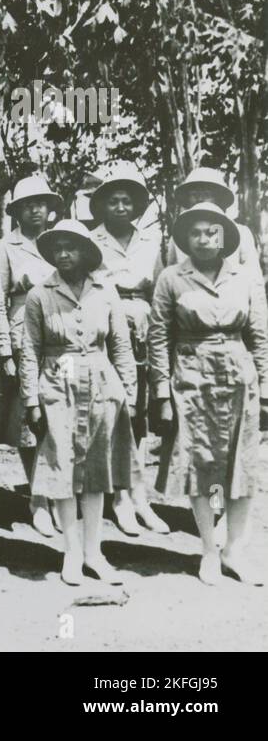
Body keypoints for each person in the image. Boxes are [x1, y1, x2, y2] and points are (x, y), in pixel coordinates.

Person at [150, 202, 268, 586]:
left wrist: (265, 390)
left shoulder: (246, 278)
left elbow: (261, 337)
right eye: (197, 232)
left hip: (239, 378)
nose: (204, 239)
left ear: (224, 238)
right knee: (201, 467)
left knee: (242, 466)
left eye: (212, 232)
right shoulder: (171, 278)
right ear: (185, 238)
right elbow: (158, 336)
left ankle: (234, 549)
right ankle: (208, 551)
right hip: (191, 378)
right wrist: (161, 394)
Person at [22, 220, 136, 585]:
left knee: (97, 471)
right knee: (63, 470)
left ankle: (94, 553)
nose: (64, 254)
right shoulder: (40, 294)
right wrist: (31, 401)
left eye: (71, 247)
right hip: (58, 383)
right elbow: (29, 350)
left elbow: (121, 346)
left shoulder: (105, 290)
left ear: (86, 252)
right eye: (58, 248)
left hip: (102, 384)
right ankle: (71, 554)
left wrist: (128, 394)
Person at [88, 166, 170, 535]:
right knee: (116, 411)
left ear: (136, 207)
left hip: (146, 331)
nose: (120, 207)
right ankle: (118, 497)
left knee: (141, 415)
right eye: (113, 201)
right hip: (109, 332)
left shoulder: (151, 243)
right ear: (102, 206)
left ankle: (139, 495)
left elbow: (160, 293)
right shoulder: (92, 242)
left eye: (127, 202)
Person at [0, 175, 62, 536]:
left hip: (60, 338)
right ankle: (38, 499)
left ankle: (59, 492)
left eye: (42, 203)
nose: (36, 210)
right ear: (16, 211)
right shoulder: (6, 247)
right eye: (27, 204)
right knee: (30, 422)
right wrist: (3, 352)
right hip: (23, 338)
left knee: (59, 415)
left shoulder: (62, 241)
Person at [164, 168, 264, 284]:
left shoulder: (240, 232)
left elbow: (254, 279)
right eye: (194, 194)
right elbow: (168, 281)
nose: (200, 199)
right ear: (187, 199)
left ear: (219, 199)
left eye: (206, 194)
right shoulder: (179, 235)